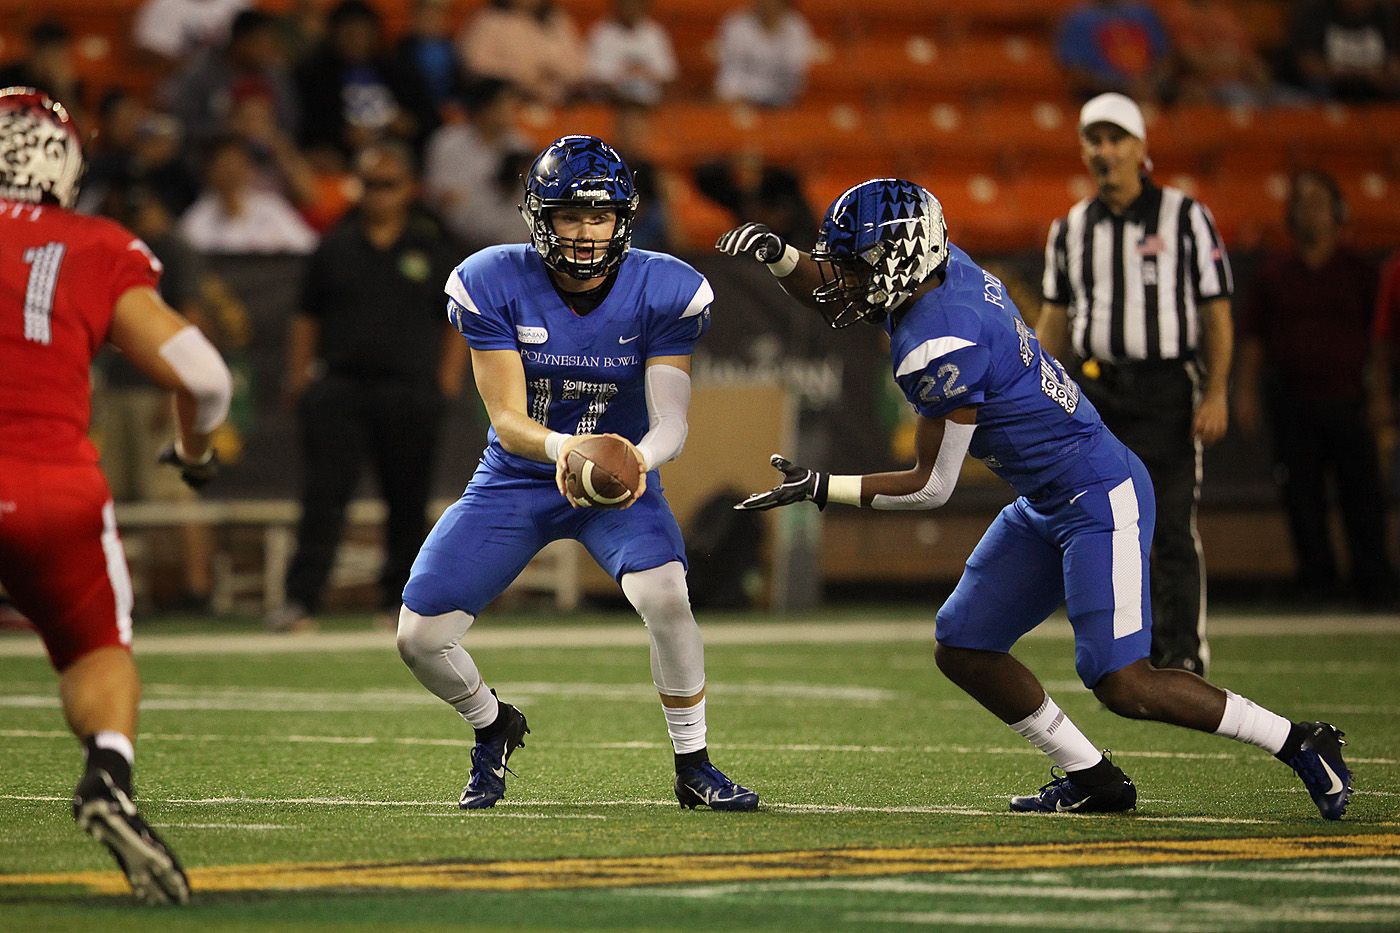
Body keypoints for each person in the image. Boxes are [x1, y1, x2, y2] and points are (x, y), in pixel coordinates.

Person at [716, 176, 1351, 821]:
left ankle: (1300, 741)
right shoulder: (944, 268)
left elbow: (932, 487)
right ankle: (1091, 777)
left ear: (898, 262)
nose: (841, 277)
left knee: (1123, 683)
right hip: (1048, 498)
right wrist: (782, 258)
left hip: (1099, 496)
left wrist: (822, 488)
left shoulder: (940, 342)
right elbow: (835, 291)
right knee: (963, 643)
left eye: (853, 264)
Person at [396, 135, 758, 812]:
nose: (587, 231)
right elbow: (506, 417)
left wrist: (632, 463)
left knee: (668, 599)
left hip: (618, 483)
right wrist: (566, 449)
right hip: (520, 474)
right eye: (570, 215)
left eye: (600, 216)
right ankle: (493, 724)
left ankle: (694, 763)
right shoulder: (494, 278)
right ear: (541, 218)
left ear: (624, 219)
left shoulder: (664, 287)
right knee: (419, 637)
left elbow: (671, 423)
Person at [0, 88, 233, 903]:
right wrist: (194, 454)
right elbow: (205, 376)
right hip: (46, 480)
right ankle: (108, 776)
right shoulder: (95, 244)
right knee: (98, 647)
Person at [1035, 92, 1232, 677]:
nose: (1104, 150)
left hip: (1166, 388)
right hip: (1098, 391)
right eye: (1094, 140)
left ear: (1141, 148)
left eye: (1116, 138)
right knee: (1102, 520)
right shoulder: (1070, 227)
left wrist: (1217, 390)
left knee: (1169, 522)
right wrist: (1040, 392)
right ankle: (1125, 650)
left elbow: (1216, 310)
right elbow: (1056, 318)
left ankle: (1184, 652)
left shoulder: (1185, 217)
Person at [267, 140, 466, 634]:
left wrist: (446, 381)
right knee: (324, 497)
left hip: (409, 390)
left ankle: (402, 602)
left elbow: (456, 321)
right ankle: (300, 600)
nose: (377, 195)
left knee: (408, 500)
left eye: (388, 185)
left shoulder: (432, 248)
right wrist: (300, 379)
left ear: (410, 189)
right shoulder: (334, 247)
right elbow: (305, 318)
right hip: (342, 389)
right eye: (369, 185)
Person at [1235, 169, 1397, 607]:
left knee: (1361, 493)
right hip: (1292, 399)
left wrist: (1380, 393)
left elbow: (1380, 337)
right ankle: (1316, 582)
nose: (1310, 214)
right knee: (1301, 496)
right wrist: (1245, 391)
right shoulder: (1273, 274)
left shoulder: (1360, 269)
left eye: (1319, 204)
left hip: (1350, 399)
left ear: (1338, 213)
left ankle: (1373, 581)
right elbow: (1253, 339)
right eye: (1302, 205)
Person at [422, 77, 532, 253]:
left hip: (512, 248)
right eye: (506, 104)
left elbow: (527, 205)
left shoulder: (520, 146)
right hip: (455, 246)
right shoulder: (447, 143)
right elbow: (446, 203)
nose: (513, 110)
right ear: (486, 108)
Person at [179, 135, 318, 256]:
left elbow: (308, 247)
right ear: (209, 171)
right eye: (224, 164)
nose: (231, 171)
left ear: (248, 169)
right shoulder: (197, 218)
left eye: (237, 164)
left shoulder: (272, 207)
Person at [455, 0, 587, 106]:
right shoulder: (489, 20)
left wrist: (553, 72)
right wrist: (524, 80)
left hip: (559, 103)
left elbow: (578, 67)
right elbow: (476, 66)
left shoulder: (557, 20)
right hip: (506, 103)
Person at [1055, 0, 1173, 103]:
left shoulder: (1144, 13)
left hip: (1153, 92)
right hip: (1100, 96)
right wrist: (1126, 88)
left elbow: (1166, 56)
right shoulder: (1077, 19)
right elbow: (1076, 73)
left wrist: (1152, 84)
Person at [1282, 0, 1400, 101]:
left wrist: (1389, 76)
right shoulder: (1315, 10)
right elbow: (1306, 64)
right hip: (1327, 87)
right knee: (1317, 88)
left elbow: (1393, 61)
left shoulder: (1383, 13)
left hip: (1371, 89)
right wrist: (1359, 74)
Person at [713, 0, 815, 108]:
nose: (769, 3)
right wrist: (730, 96)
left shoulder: (796, 27)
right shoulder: (737, 25)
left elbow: (795, 74)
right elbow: (731, 71)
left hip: (783, 101)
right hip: (742, 99)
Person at [586, 0, 678, 107]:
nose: (630, 7)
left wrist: (643, 73)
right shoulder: (601, 33)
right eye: (626, 3)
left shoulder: (655, 33)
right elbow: (594, 76)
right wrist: (626, 73)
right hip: (611, 104)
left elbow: (668, 75)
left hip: (649, 106)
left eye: (635, 3)